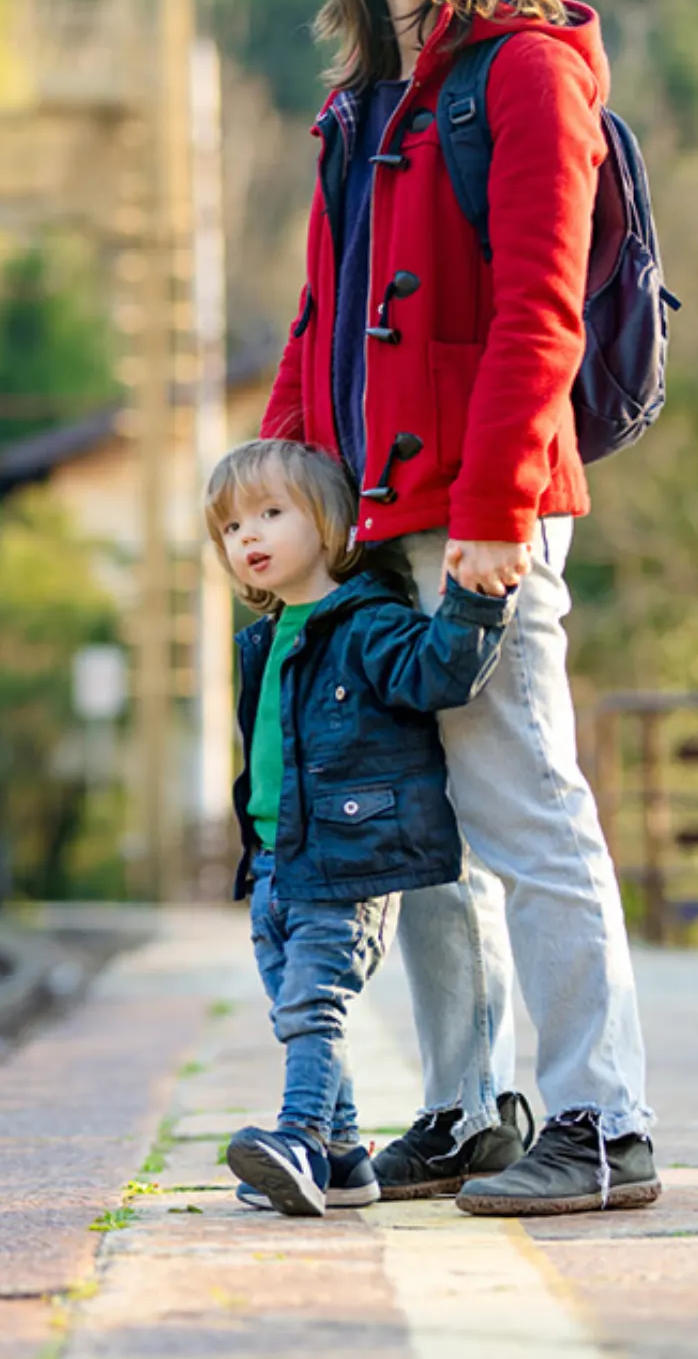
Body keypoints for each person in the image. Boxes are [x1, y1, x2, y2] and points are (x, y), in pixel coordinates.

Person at [260, 0, 661, 1216]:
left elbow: (538, 312)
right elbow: (319, 326)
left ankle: (604, 1122)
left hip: (480, 511)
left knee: (523, 804)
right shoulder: (360, 98)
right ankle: (472, 1108)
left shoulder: (530, 76)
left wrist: (496, 509)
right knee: (420, 830)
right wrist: (273, 493)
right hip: (369, 521)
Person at [206, 439, 514, 1217]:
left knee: (316, 1006)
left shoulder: (365, 622)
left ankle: (302, 1135)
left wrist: (477, 599)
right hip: (279, 862)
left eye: (271, 515)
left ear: (331, 524)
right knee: (294, 1009)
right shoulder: (265, 637)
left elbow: (436, 673)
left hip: (350, 859)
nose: (249, 537)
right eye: (232, 527)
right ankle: (344, 1163)